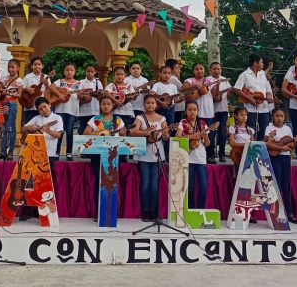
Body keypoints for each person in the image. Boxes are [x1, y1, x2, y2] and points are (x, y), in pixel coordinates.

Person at [20, 97, 63, 220]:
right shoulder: (36, 119)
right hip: (34, 155)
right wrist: (29, 128)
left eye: (45, 107)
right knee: (31, 183)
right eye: (40, 109)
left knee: (46, 185)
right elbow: (22, 129)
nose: (43, 110)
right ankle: (28, 212)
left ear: (50, 104)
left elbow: (58, 135)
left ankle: (45, 214)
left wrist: (47, 130)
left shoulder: (57, 118)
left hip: (50, 155)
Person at [83, 94, 126, 217]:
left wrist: (123, 133)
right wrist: (101, 132)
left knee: (112, 182)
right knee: (99, 181)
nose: (106, 106)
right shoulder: (95, 119)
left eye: (108, 104)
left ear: (112, 105)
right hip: (98, 154)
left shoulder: (117, 120)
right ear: (100, 106)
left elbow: (123, 135)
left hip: (114, 154)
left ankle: (111, 211)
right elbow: (86, 132)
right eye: (103, 104)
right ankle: (99, 211)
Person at [132, 93, 169, 222]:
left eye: (152, 103)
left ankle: (154, 212)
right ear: (144, 104)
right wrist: (147, 132)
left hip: (158, 153)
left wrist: (165, 134)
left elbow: (166, 136)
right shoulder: (140, 118)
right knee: (145, 182)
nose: (150, 105)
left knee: (154, 184)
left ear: (156, 104)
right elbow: (133, 131)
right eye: (148, 103)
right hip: (143, 152)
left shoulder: (162, 118)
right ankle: (145, 212)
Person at [264, 107, 297, 224]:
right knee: (277, 184)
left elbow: (291, 145)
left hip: (286, 157)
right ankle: (277, 213)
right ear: (273, 117)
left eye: (282, 116)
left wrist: (295, 142)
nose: (280, 118)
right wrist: (281, 147)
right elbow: (268, 144)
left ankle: (290, 212)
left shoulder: (288, 128)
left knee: (286, 185)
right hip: (275, 157)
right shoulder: (269, 128)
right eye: (277, 116)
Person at [176, 101, 211, 209]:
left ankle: (200, 210)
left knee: (203, 187)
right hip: (187, 159)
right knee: (189, 188)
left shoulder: (203, 124)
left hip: (200, 159)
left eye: (195, 110)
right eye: (190, 110)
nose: (192, 112)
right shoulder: (183, 122)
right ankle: (190, 210)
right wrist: (192, 136)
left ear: (198, 111)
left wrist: (205, 137)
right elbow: (177, 138)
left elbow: (207, 144)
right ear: (186, 111)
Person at [234, 53, 273, 142]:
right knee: (251, 132)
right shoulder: (244, 75)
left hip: (264, 109)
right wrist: (249, 99)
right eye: (261, 62)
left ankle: (260, 152)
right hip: (250, 109)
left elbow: (267, 90)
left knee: (264, 131)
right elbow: (237, 89)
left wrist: (269, 96)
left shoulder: (263, 74)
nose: (263, 64)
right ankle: (251, 153)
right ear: (255, 63)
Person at [183, 63, 216, 162]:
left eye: (201, 68)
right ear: (193, 71)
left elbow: (215, 95)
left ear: (204, 70)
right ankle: (192, 156)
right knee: (194, 134)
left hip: (208, 112)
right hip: (195, 113)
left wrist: (218, 85)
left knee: (209, 135)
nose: (199, 71)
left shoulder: (209, 81)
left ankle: (210, 156)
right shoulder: (189, 80)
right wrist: (195, 86)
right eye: (196, 69)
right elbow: (182, 88)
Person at [49, 62, 81, 160]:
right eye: (67, 70)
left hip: (72, 111)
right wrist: (59, 94)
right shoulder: (60, 81)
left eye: (71, 70)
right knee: (60, 131)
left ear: (75, 72)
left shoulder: (78, 83)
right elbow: (51, 87)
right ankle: (57, 151)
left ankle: (69, 152)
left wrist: (81, 95)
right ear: (64, 71)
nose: (69, 72)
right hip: (60, 110)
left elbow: (80, 97)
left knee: (70, 131)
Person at [0, 58, 24, 160]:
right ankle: (2, 152)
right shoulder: (4, 78)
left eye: (13, 67)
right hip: (3, 103)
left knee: (11, 128)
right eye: (9, 67)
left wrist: (8, 93)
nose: (10, 69)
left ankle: (10, 152)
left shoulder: (19, 80)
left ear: (18, 68)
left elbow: (19, 95)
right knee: (4, 128)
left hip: (12, 103)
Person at [209, 62, 230, 163]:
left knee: (222, 133)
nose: (216, 71)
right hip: (211, 111)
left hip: (223, 110)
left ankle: (222, 154)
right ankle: (211, 155)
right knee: (211, 133)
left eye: (218, 69)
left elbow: (229, 96)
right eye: (214, 69)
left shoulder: (225, 80)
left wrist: (231, 91)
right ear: (210, 70)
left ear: (221, 70)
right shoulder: (208, 80)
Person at [22, 56, 51, 123]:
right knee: (29, 126)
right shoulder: (27, 77)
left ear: (42, 66)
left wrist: (47, 85)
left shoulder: (46, 77)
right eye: (35, 64)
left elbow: (49, 91)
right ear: (31, 66)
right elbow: (20, 89)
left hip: (42, 108)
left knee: (41, 126)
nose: (37, 66)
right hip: (29, 106)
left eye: (39, 64)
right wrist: (27, 89)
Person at [77, 65, 102, 138]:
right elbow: (79, 94)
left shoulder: (98, 82)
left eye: (92, 71)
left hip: (95, 111)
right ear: (85, 72)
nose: (90, 73)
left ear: (95, 72)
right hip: (83, 112)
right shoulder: (81, 82)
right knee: (82, 131)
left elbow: (101, 95)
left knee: (94, 132)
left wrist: (99, 94)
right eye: (88, 71)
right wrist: (84, 97)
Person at [228, 106, 256, 171]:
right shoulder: (233, 128)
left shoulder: (250, 129)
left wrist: (248, 145)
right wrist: (246, 144)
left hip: (248, 154)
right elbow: (232, 143)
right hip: (237, 154)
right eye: (241, 115)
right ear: (235, 116)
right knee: (239, 173)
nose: (244, 117)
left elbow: (252, 143)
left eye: (245, 115)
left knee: (248, 173)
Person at [166, 58, 185, 123]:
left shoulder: (171, 78)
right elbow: (183, 88)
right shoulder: (172, 78)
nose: (179, 71)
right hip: (177, 108)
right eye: (176, 68)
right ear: (170, 69)